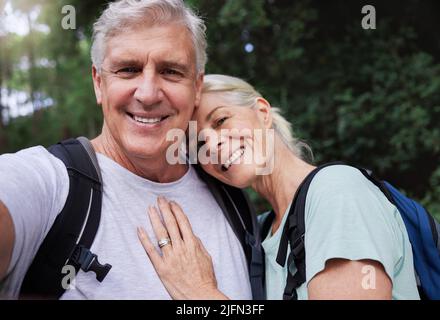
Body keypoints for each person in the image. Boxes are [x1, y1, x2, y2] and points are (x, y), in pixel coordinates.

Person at [0, 2, 259, 300]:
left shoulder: (230, 196)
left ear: (197, 87)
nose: (148, 94)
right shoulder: (53, 184)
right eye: (128, 70)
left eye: (171, 71)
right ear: (99, 83)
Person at [137, 74, 421, 300]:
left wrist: (200, 293)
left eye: (221, 120)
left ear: (262, 112)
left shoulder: (338, 193)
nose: (211, 145)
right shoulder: (257, 233)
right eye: (198, 143)